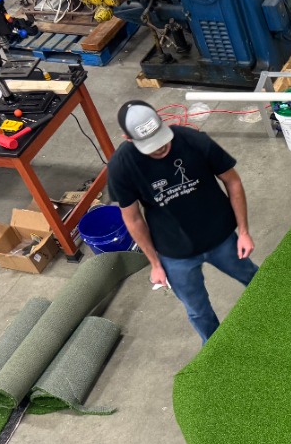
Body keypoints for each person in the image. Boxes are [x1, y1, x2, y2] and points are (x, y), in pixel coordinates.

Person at [108, 101, 257, 343]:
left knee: (254, 278)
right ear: (128, 138)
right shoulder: (121, 167)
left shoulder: (193, 141)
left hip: (220, 237)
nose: (160, 149)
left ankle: (283, 313)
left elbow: (233, 181)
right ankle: (215, 353)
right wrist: (155, 264)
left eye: (161, 138)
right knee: (198, 311)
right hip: (174, 253)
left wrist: (244, 232)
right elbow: (132, 218)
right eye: (151, 146)